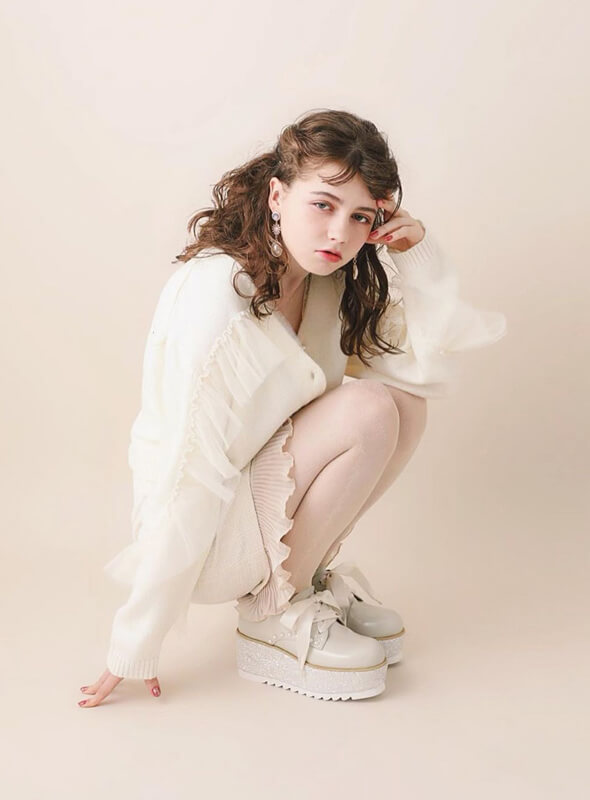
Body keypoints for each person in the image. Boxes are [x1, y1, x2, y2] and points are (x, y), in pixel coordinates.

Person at [77, 108, 507, 706]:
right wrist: (136, 639)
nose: (339, 234)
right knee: (369, 409)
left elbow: (422, 373)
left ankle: (302, 580)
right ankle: (275, 612)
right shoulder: (215, 293)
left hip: (259, 510)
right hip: (205, 541)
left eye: (360, 216)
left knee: (404, 404)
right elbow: (185, 472)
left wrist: (416, 254)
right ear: (277, 196)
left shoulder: (326, 281)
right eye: (323, 205)